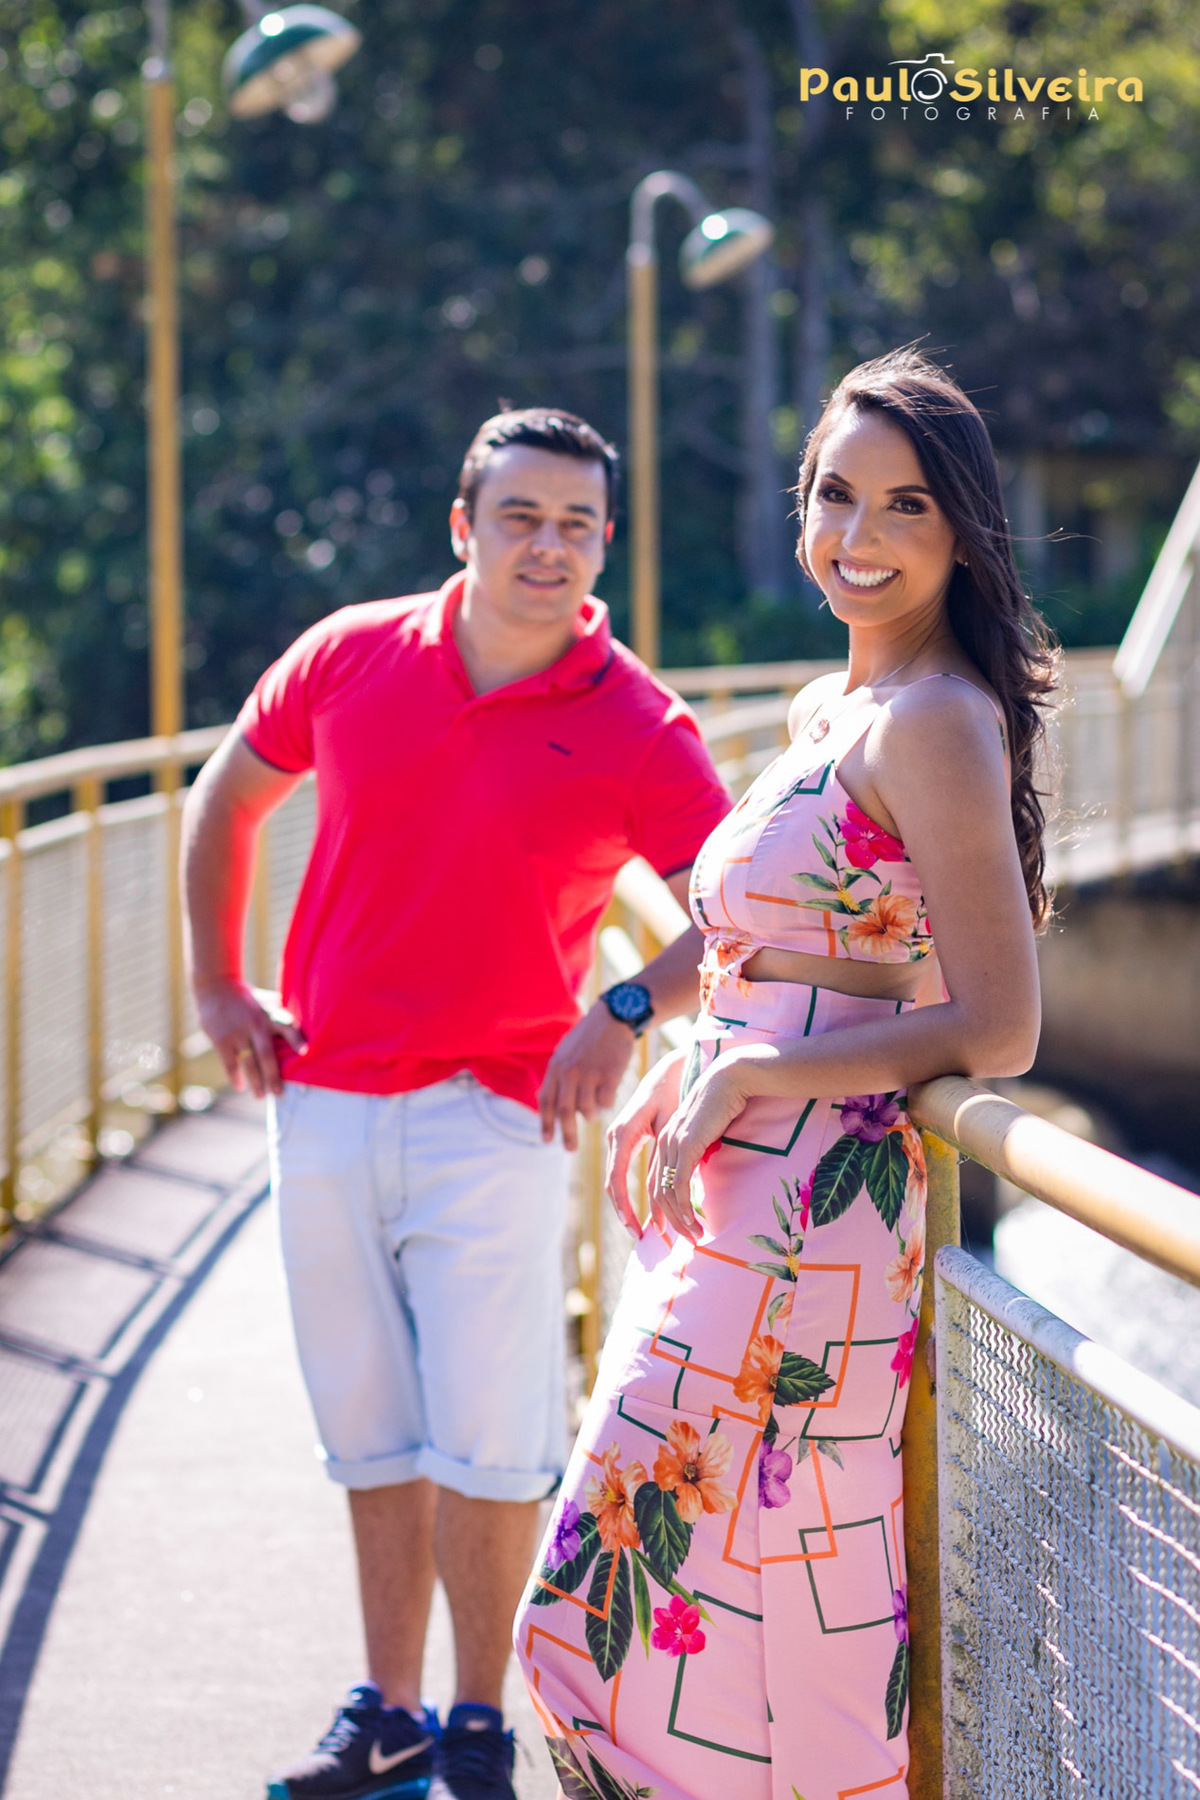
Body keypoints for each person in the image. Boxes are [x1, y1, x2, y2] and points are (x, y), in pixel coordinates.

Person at [514, 348, 1058, 1800]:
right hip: (749, 1189)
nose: (859, 540)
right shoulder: (838, 706)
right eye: (836, 497)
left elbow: (998, 1028)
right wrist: (644, 1010)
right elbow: (752, 927)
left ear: (963, 537)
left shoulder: (937, 719)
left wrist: (759, 1069)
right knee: (747, 1583)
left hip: (816, 1209)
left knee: (624, 1593)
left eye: (907, 509)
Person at [181, 407, 732, 1800]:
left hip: (501, 1114)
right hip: (322, 1101)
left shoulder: (635, 722)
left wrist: (620, 1011)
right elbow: (223, 799)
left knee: (487, 1440)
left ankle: (478, 1722)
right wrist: (217, 988)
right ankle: (390, 1709)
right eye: (521, 517)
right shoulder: (353, 652)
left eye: (576, 524)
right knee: (369, 1426)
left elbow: (735, 912)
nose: (548, 547)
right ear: (463, 526)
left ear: (603, 541)